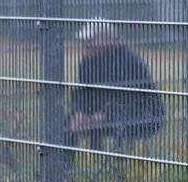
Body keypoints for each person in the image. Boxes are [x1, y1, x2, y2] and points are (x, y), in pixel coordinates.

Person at [68, 21, 164, 149]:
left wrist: (102, 116)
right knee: (66, 122)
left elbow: (128, 100)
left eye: (91, 40)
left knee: (117, 119)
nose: (86, 45)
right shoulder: (87, 62)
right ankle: (65, 167)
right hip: (104, 115)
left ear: (107, 39)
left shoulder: (129, 61)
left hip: (142, 116)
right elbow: (80, 93)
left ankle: (120, 163)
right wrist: (78, 113)